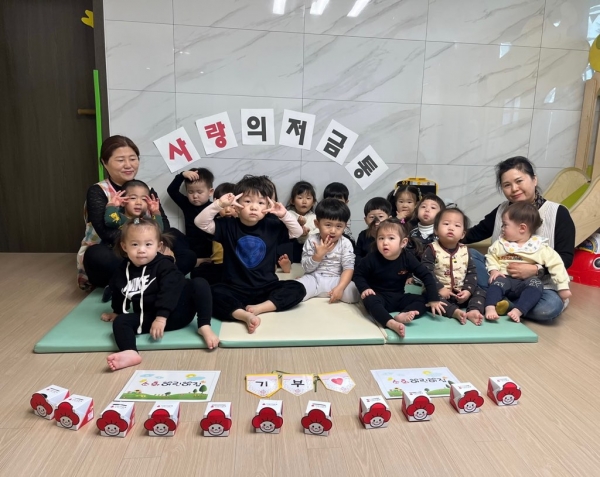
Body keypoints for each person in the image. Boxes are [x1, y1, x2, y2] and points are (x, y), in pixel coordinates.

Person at [464, 156, 575, 322]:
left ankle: (496, 301)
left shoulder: (558, 213)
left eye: (519, 181)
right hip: (501, 278)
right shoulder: (502, 211)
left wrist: (536, 269)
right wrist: (444, 233)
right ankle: (507, 302)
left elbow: (565, 257)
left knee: (547, 308)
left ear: (534, 180)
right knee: (467, 254)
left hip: (540, 286)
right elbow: (475, 233)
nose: (514, 189)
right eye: (507, 185)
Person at [78, 135, 195, 291]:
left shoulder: (145, 189)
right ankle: (153, 277)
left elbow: (163, 223)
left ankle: (142, 280)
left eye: (133, 159)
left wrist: (153, 246)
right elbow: (106, 232)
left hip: (147, 248)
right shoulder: (97, 191)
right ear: (105, 163)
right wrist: (138, 248)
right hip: (113, 249)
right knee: (96, 255)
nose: (128, 165)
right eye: (120, 160)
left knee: (180, 242)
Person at [101, 218, 217, 371]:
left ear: (159, 246)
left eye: (148, 244)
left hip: (178, 313)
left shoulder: (164, 265)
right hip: (149, 316)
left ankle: (204, 326)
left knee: (199, 283)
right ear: (124, 247)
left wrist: (161, 318)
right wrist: (117, 311)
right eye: (135, 244)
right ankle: (130, 352)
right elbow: (119, 291)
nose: (141, 250)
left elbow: (169, 291)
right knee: (120, 322)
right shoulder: (123, 270)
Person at [195, 175, 306, 334]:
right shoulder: (228, 225)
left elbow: (297, 232)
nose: (254, 207)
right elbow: (200, 222)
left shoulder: (272, 226)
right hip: (235, 288)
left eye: (260, 203)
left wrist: (283, 214)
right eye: (247, 201)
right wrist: (219, 204)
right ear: (237, 205)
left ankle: (259, 309)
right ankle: (244, 315)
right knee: (211, 293)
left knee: (298, 288)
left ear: (267, 206)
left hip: (266, 287)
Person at [353, 218, 445, 338]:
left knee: (425, 299)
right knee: (369, 300)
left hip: (399, 297)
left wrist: (434, 299)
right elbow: (358, 274)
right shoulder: (371, 258)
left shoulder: (407, 257)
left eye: (391, 238)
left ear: (403, 242)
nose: (385, 242)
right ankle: (390, 323)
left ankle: (402, 315)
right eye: (381, 238)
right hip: (378, 296)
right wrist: (364, 288)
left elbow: (426, 275)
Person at [484, 202, 571, 323]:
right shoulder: (501, 243)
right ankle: (490, 307)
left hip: (526, 282)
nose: (502, 228)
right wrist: (494, 270)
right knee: (496, 284)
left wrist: (562, 286)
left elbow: (557, 264)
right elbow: (491, 256)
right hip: (504, 278)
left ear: (522, 228)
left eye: (505, 225)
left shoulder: (539, 247)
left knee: (537, 285)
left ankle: (517, 309)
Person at [421, 208, 486, 325]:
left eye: (457, 225)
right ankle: (455, 312)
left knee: (480, 291)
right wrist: (440, 288)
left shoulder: (465, 250)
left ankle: (473, 310)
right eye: (446, 224)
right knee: (429, 298)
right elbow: (426, 272)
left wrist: (467, 290)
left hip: (460, 292)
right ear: (436, 230)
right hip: (439, 292)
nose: (451, 228)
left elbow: (472, 273)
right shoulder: (431, 249)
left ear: (463, 234)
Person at [296, 198, 360, 303]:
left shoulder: (346, 243)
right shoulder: (312, 241)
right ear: (317, 224)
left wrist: (340, 287)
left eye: (339, 226)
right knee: (295, 291)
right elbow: (306, 268)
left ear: (345, 226)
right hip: (314, 279)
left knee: (354, 292)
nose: (333, 231)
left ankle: (336, 292)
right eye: (328, 225)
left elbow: (348, 268)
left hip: (336, 280)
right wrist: (317, 256)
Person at [167, 167, 214, 267]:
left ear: (210, 192)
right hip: (190, 246)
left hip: (209, 247)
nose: (195, 196)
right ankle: (194, 261)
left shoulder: (214, 207)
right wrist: (182, 175)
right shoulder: (187, 204)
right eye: (190, 192)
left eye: (199, 192)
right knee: (171, 232)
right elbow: (172, 190)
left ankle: (202, 261)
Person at [190, 182, 236, 285]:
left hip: (233, 266)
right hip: (216, 264)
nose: (228, 210)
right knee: (197, 273)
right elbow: (200, 221)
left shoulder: (239, 223)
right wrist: (218, 205)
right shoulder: (216, 224)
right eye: (224, 206)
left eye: (232, 206)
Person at [278, 181, 318, 265]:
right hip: (291, 254)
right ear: (292, 201)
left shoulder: (315, 218)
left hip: (310, 255)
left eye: (308, 198)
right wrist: (298, 227)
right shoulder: (288, 215)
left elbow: (318, 236)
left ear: (313, 202)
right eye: (300, 198)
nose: (304, 201)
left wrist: (305, 235)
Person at [355, 197, 392, 264]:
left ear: (389, 219)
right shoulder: (363, 235)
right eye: (372, 217)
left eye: (381, 216)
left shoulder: (393, 235)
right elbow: (357, 255)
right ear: (366, 220)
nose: (376, 221)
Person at [323, 182, 355, 248]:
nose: (334, 203)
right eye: (331, 199)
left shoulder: (345, 214)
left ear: (346, 202)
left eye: (339, 200)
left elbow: (347, 233)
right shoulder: (322, 213)